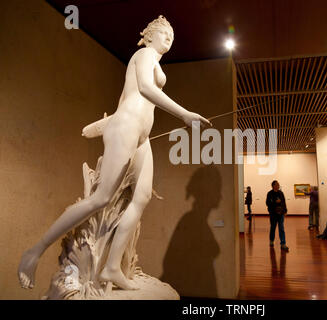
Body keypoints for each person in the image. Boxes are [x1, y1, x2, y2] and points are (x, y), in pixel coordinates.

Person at [18, 15, 211, 290]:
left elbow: (128, 96)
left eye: (172, 34)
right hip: (128, 126)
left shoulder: (154, 60)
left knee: (142, 197)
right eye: (163, 32)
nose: (169, 37)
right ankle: (34, 251)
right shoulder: (144, 54)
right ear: (150, 35)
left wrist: (102, 124)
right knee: (101, 198)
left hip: (141, 135)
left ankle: (111, 268)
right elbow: (143, 88)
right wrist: (184, 114)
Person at [266, 180, 289, 252]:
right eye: (277, 184)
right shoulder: (270, 193)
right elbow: (267, 203)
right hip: (273, 214)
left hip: (280, 214)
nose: (278, 185)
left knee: (281, 228)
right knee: (273, 228)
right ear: (273, 186)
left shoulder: (281, 193)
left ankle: (283, 243)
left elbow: (284, 202)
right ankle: (271, 240)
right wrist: (275, 203)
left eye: (278, 184)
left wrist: (285, 211)